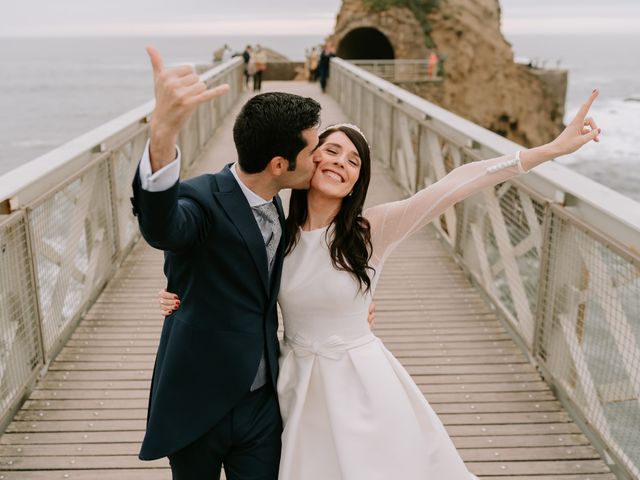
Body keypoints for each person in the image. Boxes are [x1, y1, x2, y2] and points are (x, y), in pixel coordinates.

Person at [160, 85, 602, 477]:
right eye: (330, 151)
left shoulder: (373, 231)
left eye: (353, 161)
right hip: (294, 384)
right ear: (307, 160)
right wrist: (179, 293)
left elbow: (458, 183)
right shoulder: (276, 229)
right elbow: (219, 257)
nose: (340, 164)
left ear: (358, 180)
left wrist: (547, 151)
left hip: (360, 384)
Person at [131, 46, 331, 480]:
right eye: (314, 150)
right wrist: (162, 135)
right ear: (280, 164)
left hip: (262, 404)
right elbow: (163, 229)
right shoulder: (201, 199)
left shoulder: (286, 204)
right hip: (197, 403)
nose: (319, 159)